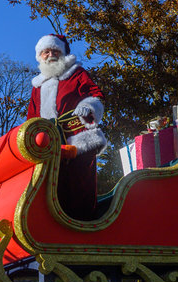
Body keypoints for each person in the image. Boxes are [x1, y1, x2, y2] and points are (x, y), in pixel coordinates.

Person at [27, 34, 107, 221]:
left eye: (55, 51)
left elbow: (96, 96)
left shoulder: (77, 73)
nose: (50, 55)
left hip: (77, 138)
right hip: (48, 144)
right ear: (40, 56)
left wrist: (88, 106)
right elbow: (31, 117)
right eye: (46, 52)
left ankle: (84, 224)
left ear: (62, 53)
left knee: (80, 184)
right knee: (52, 188)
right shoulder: (37, 86)